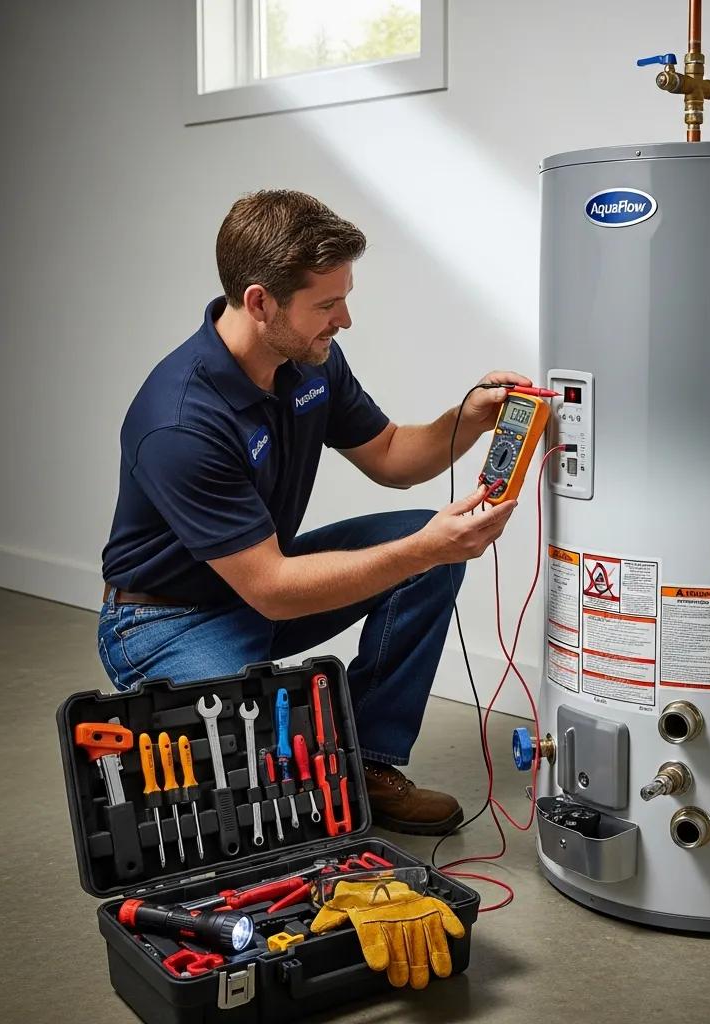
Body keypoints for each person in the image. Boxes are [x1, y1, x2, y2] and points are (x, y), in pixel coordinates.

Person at [98, 189, 528, 834]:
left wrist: (463, 421)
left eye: (344, 298)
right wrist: (428, 547)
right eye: (327, 304)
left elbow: (388, 455)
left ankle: (371, 761)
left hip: (258, 577)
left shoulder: (308, 359)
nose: (345, 319)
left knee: (420, 551)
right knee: (275, 805)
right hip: (168, 618)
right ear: (260, 301)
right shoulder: (181, 421)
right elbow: (273, 592)